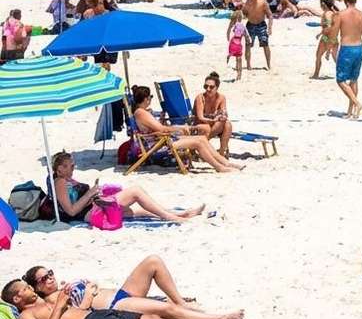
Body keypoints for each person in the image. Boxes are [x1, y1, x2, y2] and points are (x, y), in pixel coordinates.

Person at [22, 259, 238, 319]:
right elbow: (79, 315)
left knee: (153, 261)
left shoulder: (62, 287)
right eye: (43, 279)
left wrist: (91, 284)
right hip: (114, 307)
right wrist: (88, 293)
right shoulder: (52, 300)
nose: (49, 278)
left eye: (49, 273)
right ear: (38, 288)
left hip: (122, 293)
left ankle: (182, 303)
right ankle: (217, 318)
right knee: (166, 308)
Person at [3, 280, 225, 319]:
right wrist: (60, 308)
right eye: (25, 288)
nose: (30, 288)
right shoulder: (25, 317)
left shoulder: (47, 300)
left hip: (94, 315)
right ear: (17, 298)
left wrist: (70, 298)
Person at [48, 151, 204, 223]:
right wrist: (90, 193)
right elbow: (71, 211)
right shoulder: (60, 182)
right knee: (136, 191)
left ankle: (183, 213)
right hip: (90, 212)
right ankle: (175, 218)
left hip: (96, 205)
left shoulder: (66, 179)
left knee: (141, 211)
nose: (73, 168)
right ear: (59, 169)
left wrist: (95, 192)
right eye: (69, 166)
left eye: (73, 165)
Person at [130, 86, 240, 173]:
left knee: (202, 138)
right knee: (198, 143)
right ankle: (219, 167)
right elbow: (162, 129)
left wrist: (180, 128)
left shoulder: (144, 111)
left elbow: (159, 129)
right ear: (145, 99)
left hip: (163, 140)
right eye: (150, 97)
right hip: (158, 145)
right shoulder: (141, 113)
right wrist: (179, 129)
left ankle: (225, 163)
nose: (150, 99)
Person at [332, 0, 362, 120]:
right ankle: (351, 112)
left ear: (346, 1)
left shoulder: (341, 15)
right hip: (359, 48)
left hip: (347, 48)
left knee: (341, 80)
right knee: (354, 79)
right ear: (355, 0)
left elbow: (334, 34)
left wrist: (330, 49)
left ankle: (357, 103)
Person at [192, 72, 232, 157]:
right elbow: (200, 117)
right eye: (205, 86)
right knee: (219, 124)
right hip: (200, 123)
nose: (208, 89)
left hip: (214, 125)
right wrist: (214, 119)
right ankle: (202, 143)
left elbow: (224, 113)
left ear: (217, 88)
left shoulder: (221, 97)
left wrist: (221, 116)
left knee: (227, 124)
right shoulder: (200, 97)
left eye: (211, 87)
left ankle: (221, 153)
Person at [241, 0, 272, 70]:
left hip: (261, 25)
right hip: (250, 25)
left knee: (265, 44)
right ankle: (248, 65)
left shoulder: (262, 2)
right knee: (248, 45)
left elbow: (270, 15)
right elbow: (244, 14)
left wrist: (270, 27)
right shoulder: (246, 3)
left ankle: (269, 65)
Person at [311, 0, 340, 80]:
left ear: (323, 4)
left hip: (327, 38)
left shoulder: (327, 13)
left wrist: (323, 34)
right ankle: (343, 73)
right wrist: (320, 33)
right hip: (334, 38)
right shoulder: (333, 13)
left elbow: (329, 26)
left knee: (318, 55)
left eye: (321, 4)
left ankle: (316, 74)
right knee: (335, 58)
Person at [225, 12, 246, 82]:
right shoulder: (241, 25)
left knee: (236, 58)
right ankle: (239, 75)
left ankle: (229, 55)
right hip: (239, 43)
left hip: (233, 42)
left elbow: (228, 31)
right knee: (239, 59)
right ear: (240, 18)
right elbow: (245, 35)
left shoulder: (232, 24)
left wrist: (228, 38)